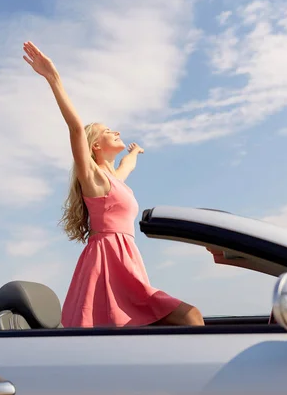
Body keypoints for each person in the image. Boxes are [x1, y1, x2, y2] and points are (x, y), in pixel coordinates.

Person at [22, 41, 204, 327]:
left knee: (155, 326)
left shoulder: (113, 180)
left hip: (125, 262)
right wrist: (53, 78)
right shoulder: (93, 178)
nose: (116, 131)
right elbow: (74, 128)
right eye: (109, 131)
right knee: (189, 316)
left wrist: (134, 152)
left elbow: (125, 168)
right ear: (94, 145)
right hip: (108, 262)